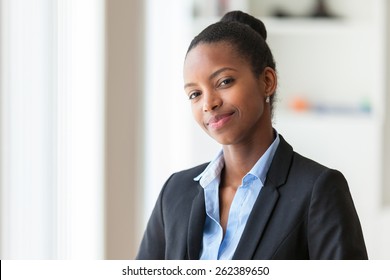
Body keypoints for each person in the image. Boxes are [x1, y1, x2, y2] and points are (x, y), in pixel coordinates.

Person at [136, 10, 368, 260]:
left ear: (267, 81)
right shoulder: (174, 192)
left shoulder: (317, 190)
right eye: (195, 94)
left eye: (224, 82)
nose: (208, 103)